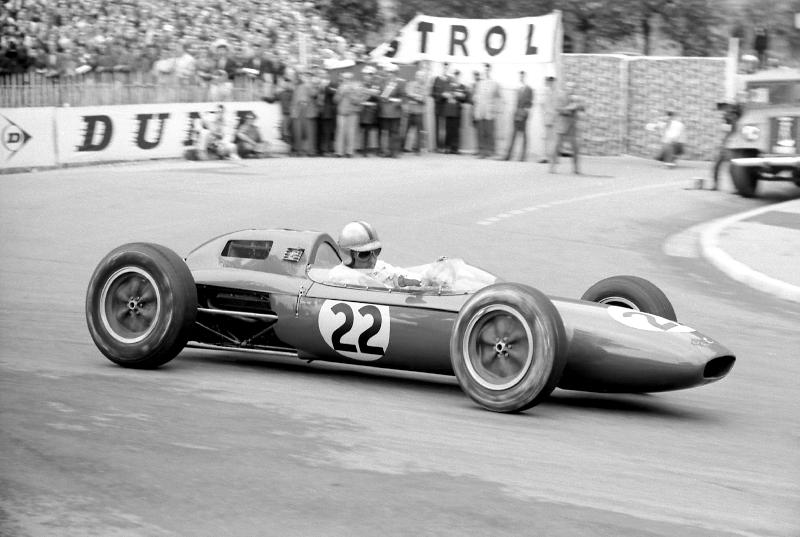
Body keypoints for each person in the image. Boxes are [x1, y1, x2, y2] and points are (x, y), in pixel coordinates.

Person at [326, 221, 422, 287]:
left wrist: (428, 277)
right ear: (347, 254)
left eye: (376, 252)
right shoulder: (340, 277)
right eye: (364, 254)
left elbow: (400, 275)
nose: (373, 260)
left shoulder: (377, 268)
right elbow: (381, 290)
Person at [549, 82, 584, 174]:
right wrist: (569, 109)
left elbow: (582, 108)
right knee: (557, 147)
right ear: (566, 88)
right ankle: (552, 167)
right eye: (569, 87)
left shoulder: (576, 99)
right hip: (562, 125)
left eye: (573, 87)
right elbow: (557, 108)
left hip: (572, 127)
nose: (571, 89)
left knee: (575, 148)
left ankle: (576, 169)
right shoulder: (561, 97)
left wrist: (578, 105)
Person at [472, 63, 502, 158]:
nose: (486, 71)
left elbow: (498, 98)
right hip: (480, 111)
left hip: (490, 111)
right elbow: (475, 97)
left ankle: (490, 151)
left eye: (488, 69)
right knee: (480, 132)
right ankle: (481, 151)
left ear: (490, 70)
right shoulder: (479, 83)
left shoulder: (494, 83)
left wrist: (495, 110)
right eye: (485, 69)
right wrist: (476, 110)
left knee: (489, 132)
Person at [504, 70, 533, 161]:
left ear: (525, 77)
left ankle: (523, 156)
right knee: (513, 134)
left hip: (523, 115)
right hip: (516, 114)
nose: (521, 78)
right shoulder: (518, 89)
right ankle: (509, 155)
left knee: (524, 135)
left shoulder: (529, 89)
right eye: (520, 76)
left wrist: (524, 112)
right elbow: (516, 103)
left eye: (522, 76)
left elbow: (530, 103)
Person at [377, 63, 405, 158]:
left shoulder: (400, 83)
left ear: (395, 73)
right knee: (385, 132)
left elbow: (403, 97)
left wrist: (396, 103)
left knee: (394, 132)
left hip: (395, 111)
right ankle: (385, 151)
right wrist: (382, 99)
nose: (389, 74)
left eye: (391, 72)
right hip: (384, 111)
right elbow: (380, 95)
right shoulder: (382, 83)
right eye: (388, 72)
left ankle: (395, 152)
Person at [334, 71, 361, 158]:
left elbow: (358, 101)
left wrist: (350, 94)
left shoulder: (356, 88)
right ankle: (339, 152)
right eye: (345, 78)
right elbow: (335, 100)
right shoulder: (340, 88)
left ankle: (350, 152)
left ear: (351, 79)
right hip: (341, 113)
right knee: (340, 132)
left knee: (351, 132)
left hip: (352, 113)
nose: (346, 80)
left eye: (348, 79)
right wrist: (341, 93)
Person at [443, 70, 467, 154]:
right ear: (453, 77)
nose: (456, 77)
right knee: (448, 130)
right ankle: (447, 148)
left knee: (456, 131)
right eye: (455, 76)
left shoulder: (462, 87)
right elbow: (444, 95)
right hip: (449, 111)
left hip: (457, 112)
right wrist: (450, 95)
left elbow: (464, 98)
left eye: (458, 76)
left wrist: (458, 95)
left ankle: (455, 148)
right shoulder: (447, 85)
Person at [358, 65, 381, 156]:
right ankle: (363, 149)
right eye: (366, 74)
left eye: (369, 74)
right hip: (363, 110)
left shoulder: (376, 84)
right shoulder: (361, 84)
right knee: (363, 130)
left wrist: (365, 91)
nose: (367, 76)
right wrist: (369, 91)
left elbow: (377, 95)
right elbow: (359, 94)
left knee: (375, 130)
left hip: (374, 110)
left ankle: (376, 149)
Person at [402, 69, 426, 154]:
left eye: (422, 76)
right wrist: (417, 96)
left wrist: (414, 96)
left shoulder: (425, 87)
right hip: (410, 111)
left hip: (419, 112)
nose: (420, 77)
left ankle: (418, 149)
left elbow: (424, 99)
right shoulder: (410, 84)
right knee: (406, 130)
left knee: (419, 131)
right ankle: (404, 148)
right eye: (419, 76)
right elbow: (408, 93)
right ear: (416, 76)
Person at [431, 62, 450, 152]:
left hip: (448, 108)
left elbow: (452, 92)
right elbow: (432, 93)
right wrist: (441, 95)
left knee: (446, 128)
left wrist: (449, 95)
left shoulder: (450, 80)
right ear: (441, 68)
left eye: (446, 68)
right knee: (438, 127)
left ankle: (445, 146)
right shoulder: (436, 79)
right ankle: (438, 146)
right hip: (438, 106)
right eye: (444, 67)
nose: (445, 69)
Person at [538, 76, 557, 163]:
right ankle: (544, 156)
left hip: (553, 117)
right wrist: (545, 115)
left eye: (551, 82)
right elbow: (542, 105)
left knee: (552, 138)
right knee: (545, 137)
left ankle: (552, 157)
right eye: (549, 81)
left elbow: (556, 106)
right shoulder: (545, 92)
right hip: (547, 117)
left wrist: (553, 115)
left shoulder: (555, 92)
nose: (550, 83)